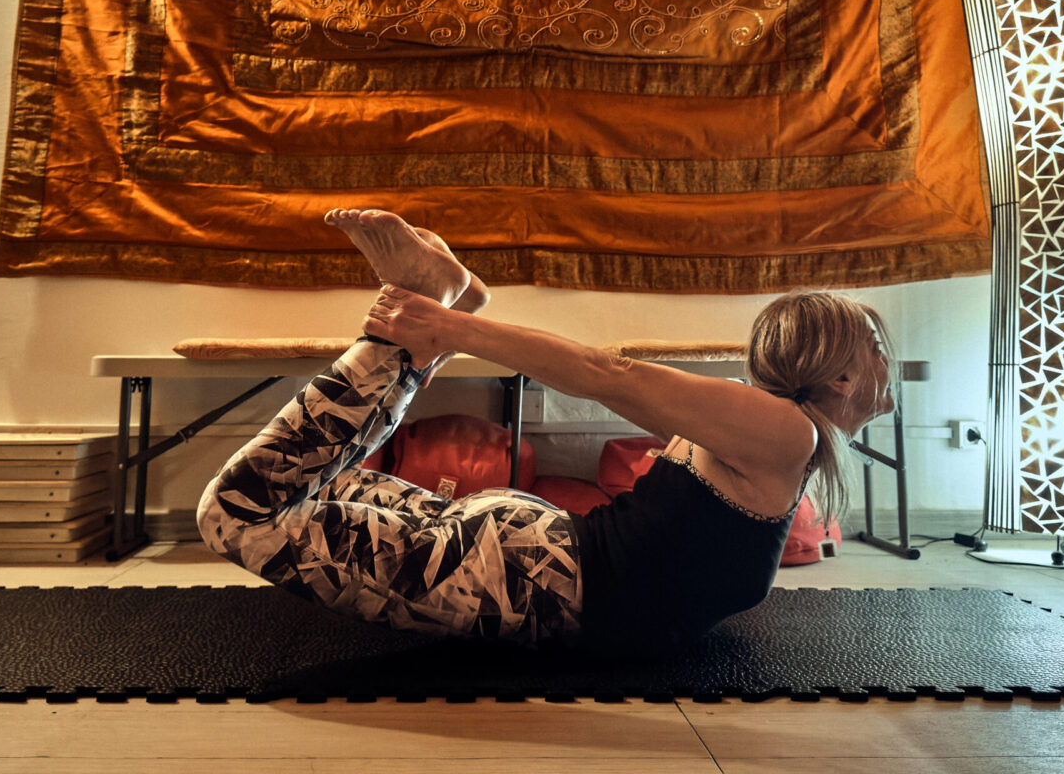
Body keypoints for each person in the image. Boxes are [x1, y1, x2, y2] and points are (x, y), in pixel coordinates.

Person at [196, 209, 896, 656]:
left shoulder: (763, 428)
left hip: (525, 560)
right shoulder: (782, 430)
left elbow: (608, 379)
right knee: (236, 513)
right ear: (837, 378)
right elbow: (606, 373)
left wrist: (448, 333)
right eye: (876, 349)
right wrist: (449, 330)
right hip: (524, 577)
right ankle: (418, 317)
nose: (887, 362)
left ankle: (425, 323)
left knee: (309, 488)